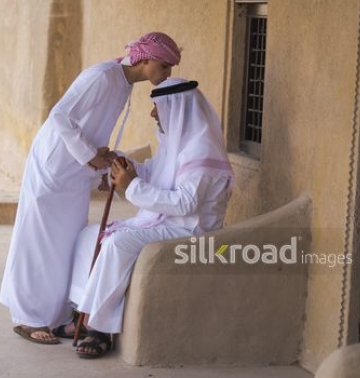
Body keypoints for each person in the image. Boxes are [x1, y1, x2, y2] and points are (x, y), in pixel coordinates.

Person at [0, 32, 182, 345]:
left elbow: (91, 127)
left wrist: (100, 163)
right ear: (147, 59)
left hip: (75, 172)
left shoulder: (123, 83)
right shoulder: (102, 75)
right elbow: (60, 116)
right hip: (54, 167)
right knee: (39, 241)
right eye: (164, 66)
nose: (167, 73)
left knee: (64, 243)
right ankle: (27, 317)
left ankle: (57, 317)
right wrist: (89, 156)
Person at [68, 77, 235, 358]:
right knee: (90, 235)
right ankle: (81, 314)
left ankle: (100, 329)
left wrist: (131, 185)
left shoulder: (202, 151)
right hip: (164, 222)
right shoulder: (176, 143)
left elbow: (185, 203)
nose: (153, 113)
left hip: (189, 230)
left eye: (158, 106)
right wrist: (125, 167)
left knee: (118, 243)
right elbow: (155, 174)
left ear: (177, 108)